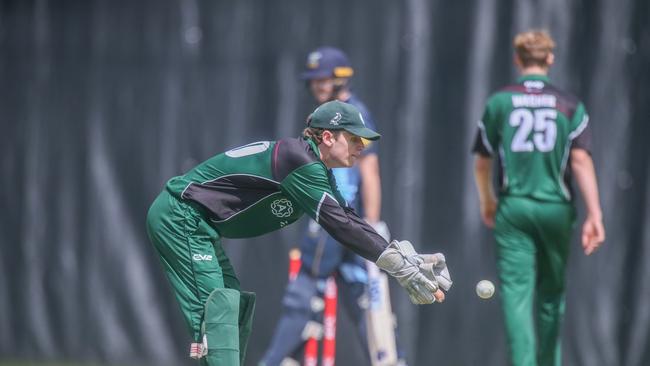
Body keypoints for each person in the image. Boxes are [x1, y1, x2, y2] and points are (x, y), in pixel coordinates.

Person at [146, 100, 449, 366]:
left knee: (233, 307)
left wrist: (405, 260)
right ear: (328, 137)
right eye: (355, 138)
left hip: (201, 225)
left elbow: (348, 219)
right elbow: (340, 225)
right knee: (218, 309)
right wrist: (397, 268)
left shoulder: (316, 168)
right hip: (181, 216)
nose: (362, 147)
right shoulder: (299, 161)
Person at [472, 30, 606, 366]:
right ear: (550, 59)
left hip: (514, 208)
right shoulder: (569, 104)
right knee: (551, 296)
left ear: (517, 60)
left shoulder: (500, 101)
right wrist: (595, 214)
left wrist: (487, 201)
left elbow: (482, 162)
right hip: (555, 209)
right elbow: (580, 160)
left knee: (516, 297)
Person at [260, 46, 394, 366]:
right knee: (358, 296)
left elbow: (369, 171)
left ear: (341, 78)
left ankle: (273, 361)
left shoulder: (349, 114)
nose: (317, 87)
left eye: (324, 80)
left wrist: (372, 224)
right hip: (345, 219)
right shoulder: (338, 111)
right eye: (314, 81)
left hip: (337, 218)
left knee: (305, 289)